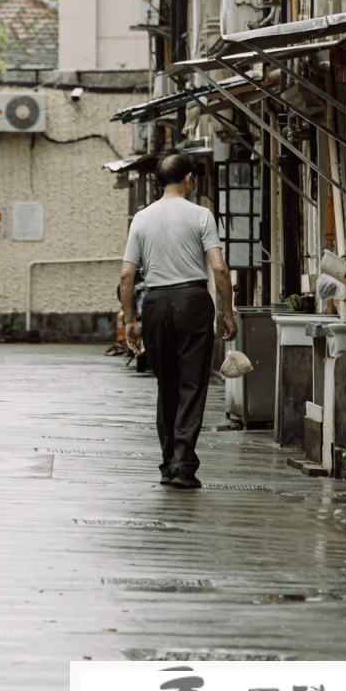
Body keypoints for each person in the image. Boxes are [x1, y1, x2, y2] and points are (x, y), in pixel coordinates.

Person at [119, 152, 238, 489]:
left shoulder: (141, 218)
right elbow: (219, 269)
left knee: (166, 384)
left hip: (155, 304)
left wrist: (130, 320)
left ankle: (167, 463)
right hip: (192, 302)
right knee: (191, 384)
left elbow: (127, 275)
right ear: (188, 179)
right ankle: (183, 466)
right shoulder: (201, 215)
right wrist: (227, 314)